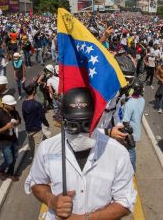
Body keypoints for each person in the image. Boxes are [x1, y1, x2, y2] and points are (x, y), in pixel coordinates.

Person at [25, 87, 136, 219]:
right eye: (73, 125)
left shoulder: (117, 153)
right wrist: (51, 200)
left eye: (87, 124)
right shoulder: (47, 148)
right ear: (63, 121)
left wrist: (86, 218)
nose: (80, 132)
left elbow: (125, 203)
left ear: (96, 119)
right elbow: (36, 183)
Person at [0, 95, 21, 181]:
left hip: (14, 139)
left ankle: (10, 173)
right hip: (4, 142)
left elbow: (19, 119)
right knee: (9, 160)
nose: (13, 106)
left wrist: (16, 122)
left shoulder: (13, 111)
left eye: (13, 104)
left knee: (15, 157)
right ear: (5, 105)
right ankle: (1, 169)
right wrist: (5, 127)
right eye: (11, 105)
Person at [122, 80, 145, 171]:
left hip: (130, 132)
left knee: (130, 151)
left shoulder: (129, 104)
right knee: (132, 149)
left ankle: (132, 170)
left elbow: (125, 122)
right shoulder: (142, 100)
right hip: (137, 130)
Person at [22, 84, 50, 157]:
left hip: (28, 129)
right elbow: (42, 117)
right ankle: (36, 163)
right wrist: (47, 124)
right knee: (38, 148)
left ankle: (33, 157)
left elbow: (24, 116)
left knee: (32, 146)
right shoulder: (37, 104)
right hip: (37, 129)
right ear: (34, 91)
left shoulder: (24, 103)